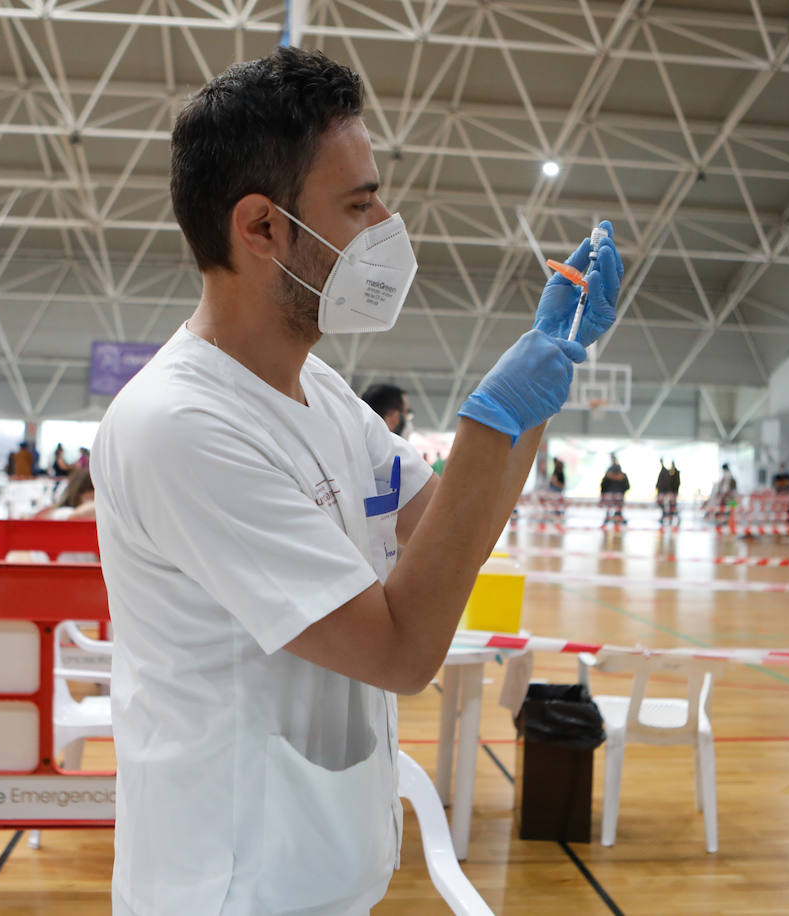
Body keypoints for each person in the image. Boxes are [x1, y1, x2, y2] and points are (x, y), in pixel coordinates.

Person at [90, 47, 621, 915]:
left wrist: (545, 382)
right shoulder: (182, 427)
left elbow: (447, 527)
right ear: (261, 228)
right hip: (229, 886)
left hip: (324, 865)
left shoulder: (322, 391)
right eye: (359, 202)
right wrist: (489, 424)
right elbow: (400, 652)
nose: (386, 224)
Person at [600, 453, 629, 526]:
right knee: (618, 510)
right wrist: (623, 492)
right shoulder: (623, 476)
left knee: (609, 510)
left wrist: (602, 495)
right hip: (619, 495)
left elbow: (603, 485)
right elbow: (626, 486)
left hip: (609, 495)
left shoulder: (608, 475)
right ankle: (618, 518)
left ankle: (608, 519)